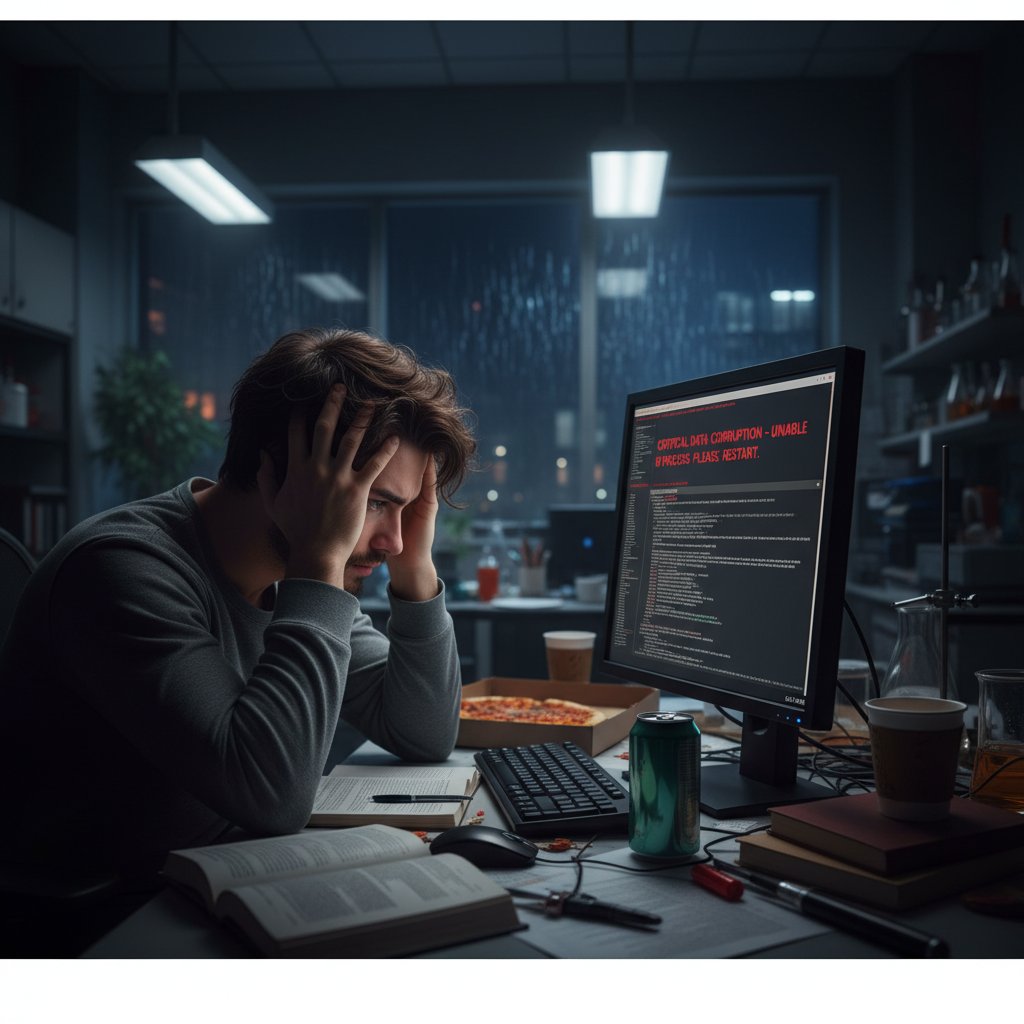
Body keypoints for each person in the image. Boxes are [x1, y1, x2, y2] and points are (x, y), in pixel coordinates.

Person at [0, 327, 477, 882]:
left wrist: (415, 567)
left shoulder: (294, 575)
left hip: (223, 871)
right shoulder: (122, 568)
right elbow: (272, 798)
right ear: (279, 470)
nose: (390, 540)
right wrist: (319, 560)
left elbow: (422, 732)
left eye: (405, 510)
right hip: (106, 918)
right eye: (372, 502)